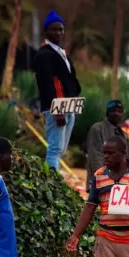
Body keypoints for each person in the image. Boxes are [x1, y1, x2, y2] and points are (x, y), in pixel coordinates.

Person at [34, 11, 81, 170]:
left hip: (69, 105)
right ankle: (51, 184)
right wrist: (58, 110)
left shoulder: (61, 52)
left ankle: (54, 180)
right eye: (54, 29)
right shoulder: (44, 54)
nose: (58, 33)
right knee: (54, 149)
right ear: (46, 31)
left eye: (61, 29)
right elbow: (47, 83)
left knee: (61, 149)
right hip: (57, 107)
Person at [85, 100, 129, 192]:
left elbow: (128, 158)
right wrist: (101, 179)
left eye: (119, 111)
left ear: (123, 114)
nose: (116, 113)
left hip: (121, 183)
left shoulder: (124, 135)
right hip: (102, 181)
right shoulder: (97, 128)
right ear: (107, 113)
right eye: (113, 111)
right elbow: (96, 156)